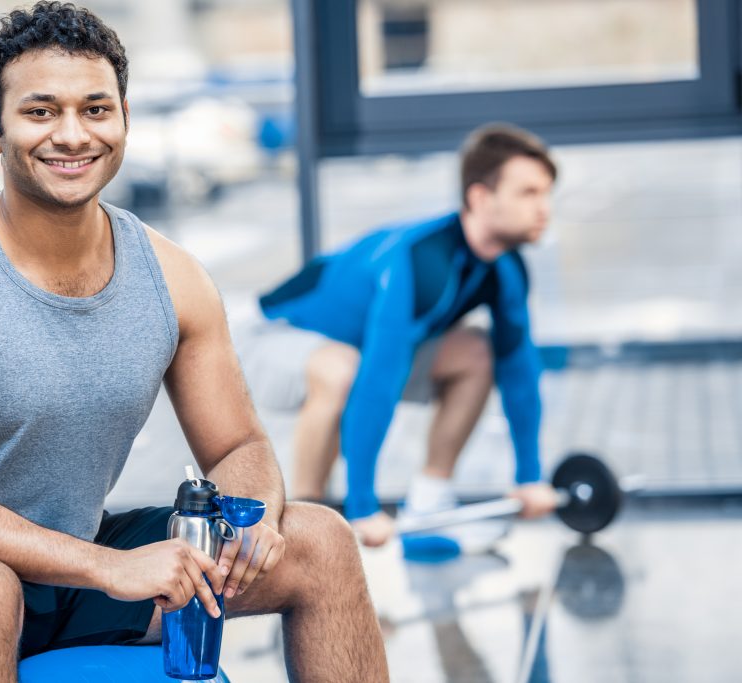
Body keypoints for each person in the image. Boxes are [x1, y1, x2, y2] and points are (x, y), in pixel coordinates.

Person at [0, 4, 388, 682]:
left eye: (94, 108)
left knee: (321, 540)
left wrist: (249, 519)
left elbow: (238, 445)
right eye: (41, 111)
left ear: (125, 120)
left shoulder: (172, 276)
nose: (72, 135)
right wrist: (113, 568)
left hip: (68, 562)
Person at [240, 123, 561, 548]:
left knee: (477, 352)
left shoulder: (506, 267)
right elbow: (378, 384)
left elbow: (518, 372)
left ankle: (430, 500)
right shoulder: (421, 262)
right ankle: (306, 525)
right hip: (267, 337)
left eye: (545, 193)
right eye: (529, 193)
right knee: (345, 371)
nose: (545, 208)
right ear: (480, 197)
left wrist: (529, 478)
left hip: (352, 350)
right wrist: (364, 507)